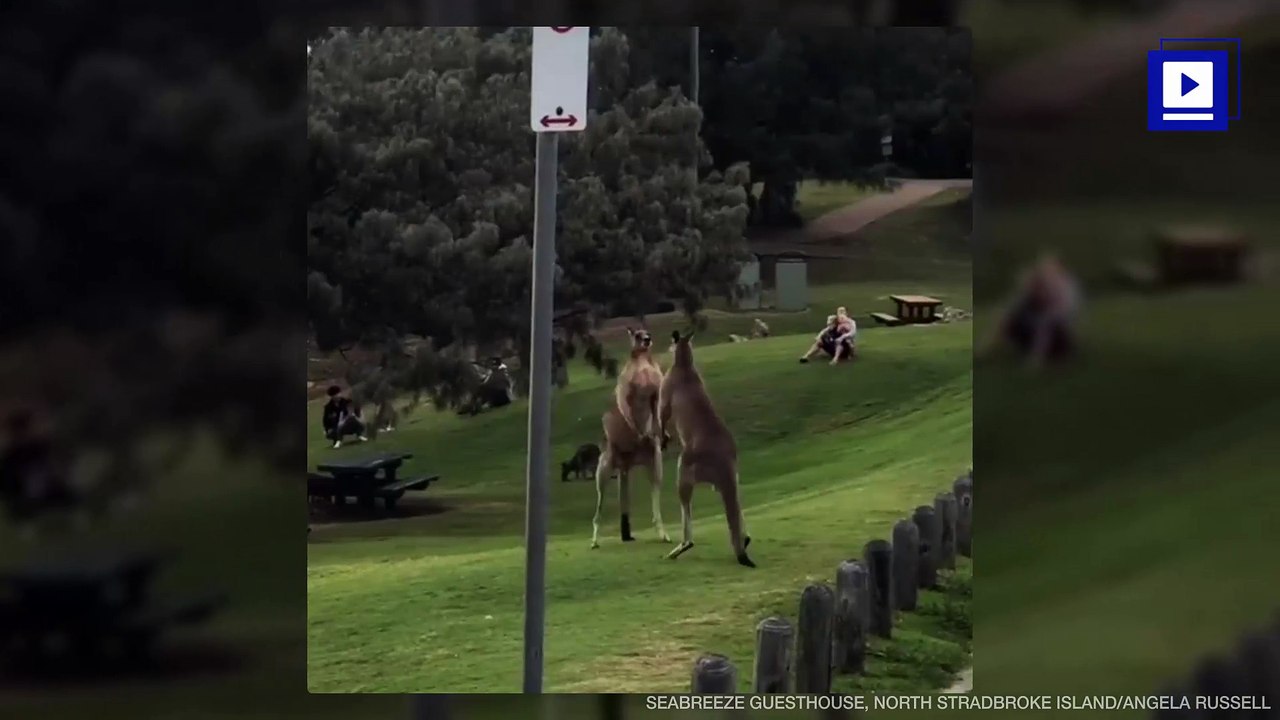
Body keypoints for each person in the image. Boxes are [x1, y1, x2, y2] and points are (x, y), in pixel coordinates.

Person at [980, 253, 1080, 367]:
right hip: (1034, 322)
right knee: (1003, 316)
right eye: (1044, 268)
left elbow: (1067, 310)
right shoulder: (1039, 284)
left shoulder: (1067, 285)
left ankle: (1035, 360)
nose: (1046, 271)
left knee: (1044, 322)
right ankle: (987, 350)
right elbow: (1018, 303)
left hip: (1058, 325)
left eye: (1049, 267)